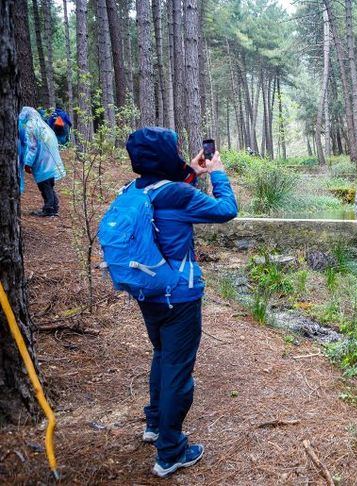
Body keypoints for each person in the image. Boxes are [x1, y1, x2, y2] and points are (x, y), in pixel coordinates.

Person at [124, 127, 238, 478]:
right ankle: (170, 451)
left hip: (148, 291)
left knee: (162, 355)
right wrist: (217, 173)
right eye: (173, 150)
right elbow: (226, 210)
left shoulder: (134, 191)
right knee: (178, 370)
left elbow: (171, 193)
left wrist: (191, 171)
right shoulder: (175, 194)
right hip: (180, 297)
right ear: (164, 156)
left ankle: (155, 423)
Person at [18, 106, 66, 217]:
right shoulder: (43, 124)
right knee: (49, 183)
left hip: (43, 161)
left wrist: (28, 163)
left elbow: (32, 147)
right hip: (50, 159)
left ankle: (49, 208)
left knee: (44, 185)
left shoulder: (31, 125)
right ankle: (54, 205)